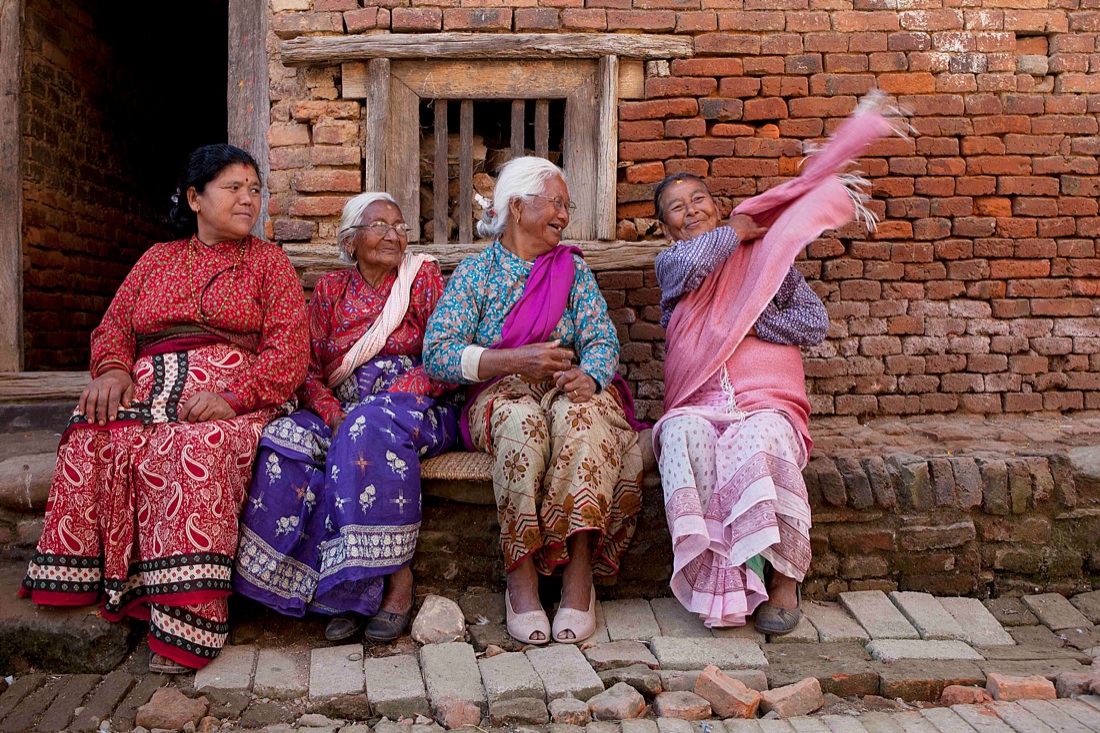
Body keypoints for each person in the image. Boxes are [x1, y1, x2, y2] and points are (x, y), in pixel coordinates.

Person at [20, 144, 309, 673]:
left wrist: (233, 397)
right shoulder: (157, 259)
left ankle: (187, 625)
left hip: (235, 398)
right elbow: (115, 327)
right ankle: (100, 585)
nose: (249, 200)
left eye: (255, 189)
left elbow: (290, 353)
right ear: (196, 198)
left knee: (192, 448)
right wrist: (112, 369)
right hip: (148, 390)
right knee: (92, 432)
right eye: (234, 188)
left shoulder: (268, 263)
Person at [652, 99, 896, 635]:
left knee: (758, 439)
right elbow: (697, 261)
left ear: (717, 206)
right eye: (676, 207)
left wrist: (751, 323)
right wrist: (738, 231)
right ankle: (723, 586)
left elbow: (813, 323)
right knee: (682, 435)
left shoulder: (768, 263)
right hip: (700, 400)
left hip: (763, 400)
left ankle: (784, 579)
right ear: (666, 227)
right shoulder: (673, 264)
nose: (690, 209)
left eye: (699, 200)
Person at [424, 157, 645, 645]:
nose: (564, 216)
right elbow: (438, 355)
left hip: (568, 387)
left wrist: (591, 375)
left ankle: (578, 579)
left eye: (567, 206)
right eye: (557, 204)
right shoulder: (476, 273)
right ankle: (520, 575)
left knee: (583, 420)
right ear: (518, 207)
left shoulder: (572, 270)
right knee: (520, 423)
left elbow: (602, 340)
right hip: (501, 395)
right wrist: (513, 361)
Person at [234, 192, 459, 643]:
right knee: (283, 438)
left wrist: (392, 394)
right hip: (341, 408)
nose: (393, 234)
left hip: (418, 406)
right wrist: (332, 412)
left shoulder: (422, 278)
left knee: (367, 429)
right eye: (380, 225)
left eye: (399, 226)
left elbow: (445, 351)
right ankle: (339, 594)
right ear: (350, 241)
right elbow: (306, 365)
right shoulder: (332, 291)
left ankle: (396, 582)